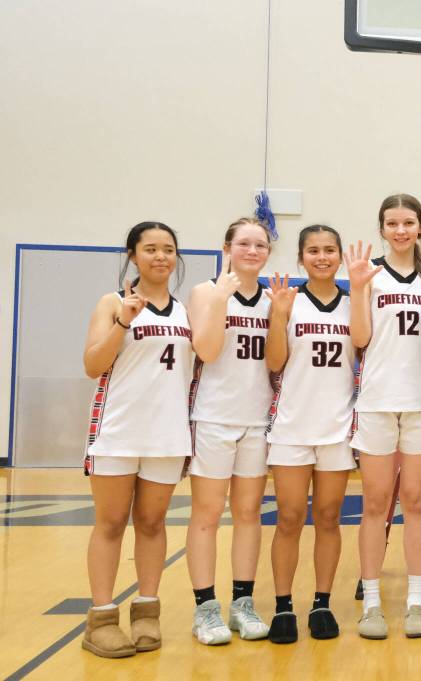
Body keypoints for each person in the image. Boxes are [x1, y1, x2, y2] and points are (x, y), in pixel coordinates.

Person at [81, 222, 192, 658]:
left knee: (152, 524)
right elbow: (93, 365)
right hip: (118, 431)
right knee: (110, 524)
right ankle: (101, 618)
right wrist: (123, 323)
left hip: (167, 434)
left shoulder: (186, 312)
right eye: (150, 249)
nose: (160, 256)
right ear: (133, 255)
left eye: (168, 249)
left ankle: (147, 612)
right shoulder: (112, 302)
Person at [346, 194, 421, 639]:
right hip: (376, 402)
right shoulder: (370, 276)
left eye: (408, 223)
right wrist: (358, 289)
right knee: (374, 503)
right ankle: (371, 603)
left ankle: (416, 601)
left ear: (420, 227)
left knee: (417, 502)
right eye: (392, 223)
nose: (401, 230)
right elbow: (360, 338)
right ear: (382, 229)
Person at [264, 225, 356, 644]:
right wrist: (278, 316)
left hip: (337, 427)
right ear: (301, 258)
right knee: (288, 517)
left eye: (329, 250)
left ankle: (322, 602)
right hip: (292, 426)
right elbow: (274, 362)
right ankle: (283, 606)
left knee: (329, 517)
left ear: (340, 256)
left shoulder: (353, 304)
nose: (322, 257)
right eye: (313, 251)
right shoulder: (288, 301)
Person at [186, 218, 274, 645]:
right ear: (227, 248)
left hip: (257, 418)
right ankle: (205, 609)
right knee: (206, 514)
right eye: (244, 243)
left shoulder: (273, 299)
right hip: (213, 417)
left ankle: (243, 603)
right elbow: (206, 350)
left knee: (248, 514)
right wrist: (222, 299)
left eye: (260, 245)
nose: (252, 251)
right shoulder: (206, 291)